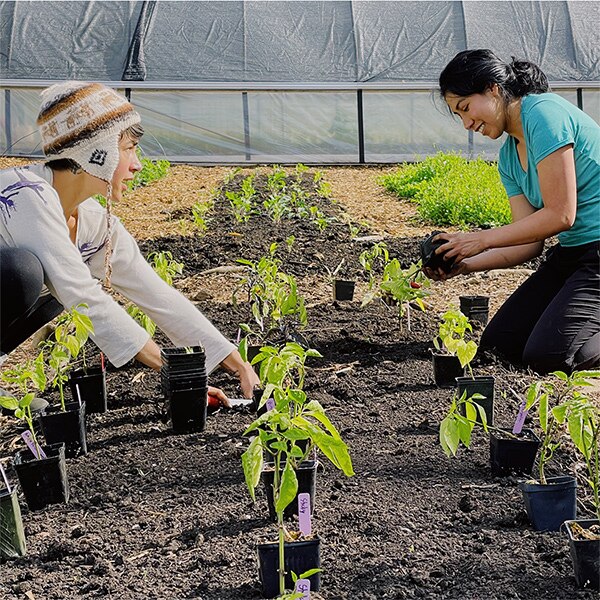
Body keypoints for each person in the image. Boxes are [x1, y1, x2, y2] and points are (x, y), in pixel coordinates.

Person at [0, 81, 260, 404]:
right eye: (128, 149)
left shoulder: (94, 223)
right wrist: (173, 371)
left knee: (59, 282)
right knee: (25, 272)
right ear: (94, 155)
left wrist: (237, 365)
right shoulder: (25, 195)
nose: (137, 165)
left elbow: (157, 294)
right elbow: (85, 298)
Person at [426, 49, 599, 374]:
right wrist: (463, 264)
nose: (467, 123)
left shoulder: (544, 113)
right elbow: (528, 243)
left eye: (465, 108)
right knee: (499, 346)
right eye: (458, 116)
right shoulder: (508, 157)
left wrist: (481, 239)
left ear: (493, 88)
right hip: (574, 253)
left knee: (551, 357)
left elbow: (562, 215)